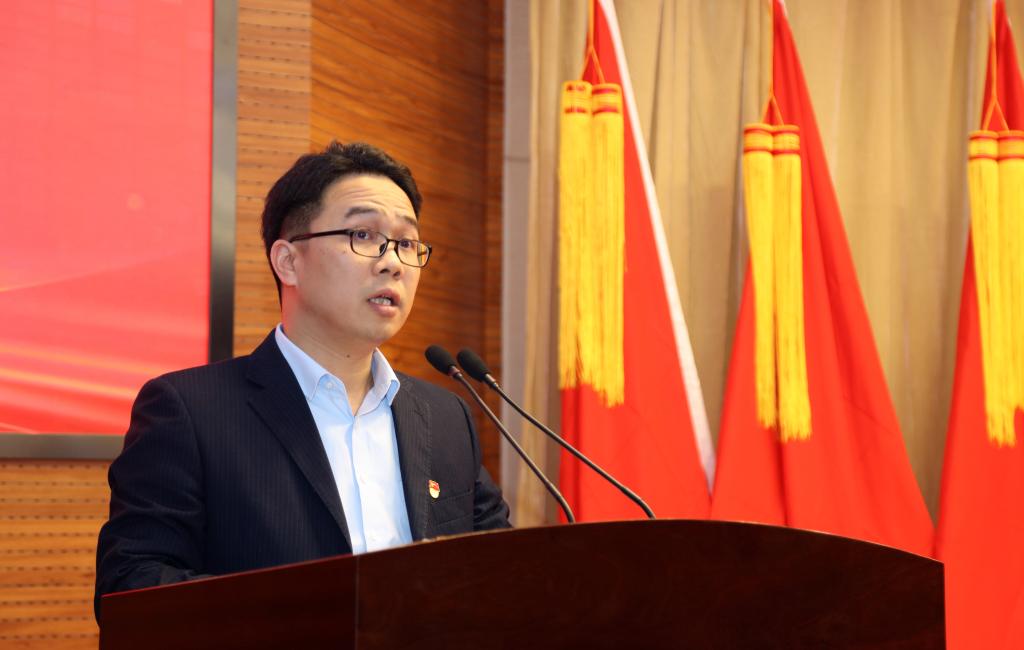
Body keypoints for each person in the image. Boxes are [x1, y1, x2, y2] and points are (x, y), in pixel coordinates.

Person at [94, 142, 511, 619]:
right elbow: (133, 588)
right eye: (363, 234)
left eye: (406, 243)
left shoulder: (445, 416)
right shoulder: (190, 412)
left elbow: (502, 571)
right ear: (288, 262)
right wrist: (315, 619)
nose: (393, 262)